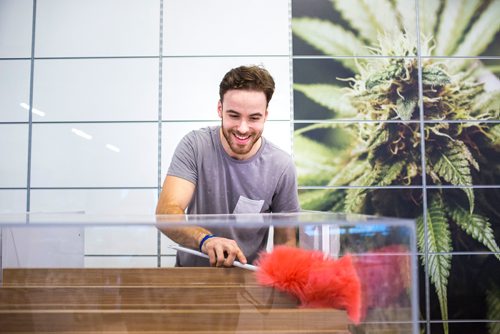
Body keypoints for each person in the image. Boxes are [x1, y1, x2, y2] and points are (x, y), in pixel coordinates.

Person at [156, 65, 300, 268]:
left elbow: (286, 242)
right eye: (234, 115)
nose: (242, 128)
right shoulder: (194, 146)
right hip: (191, 279)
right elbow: (166, 212)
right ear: (220, 109)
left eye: (254, 118)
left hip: (248, 284)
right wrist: (206, 240)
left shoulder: (281, 166)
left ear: (265, 115)